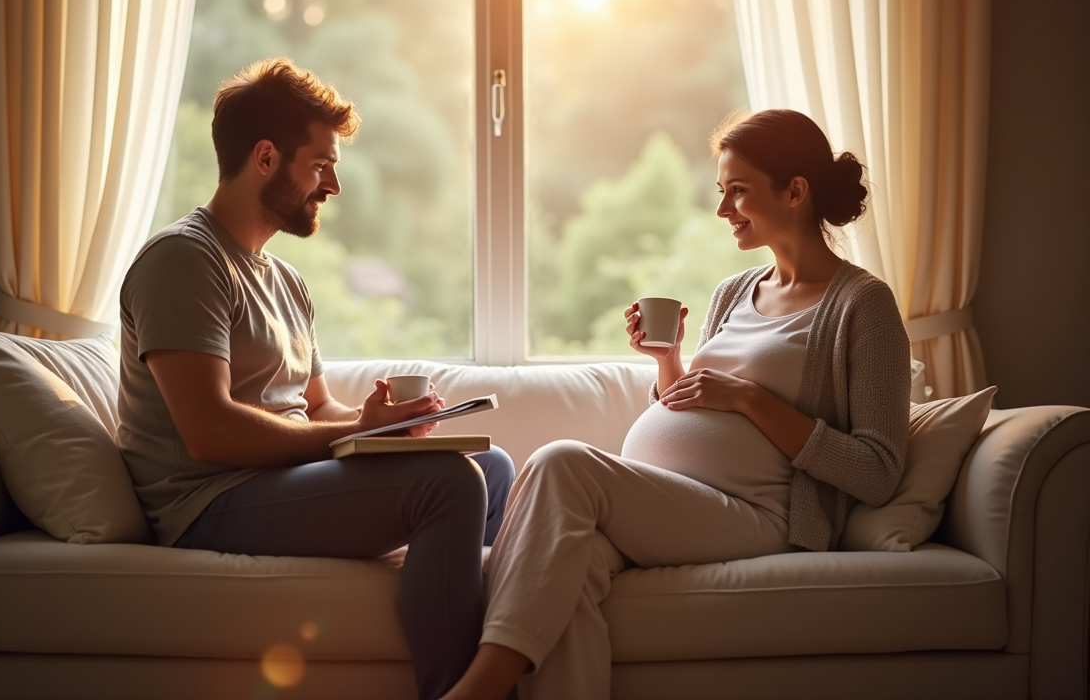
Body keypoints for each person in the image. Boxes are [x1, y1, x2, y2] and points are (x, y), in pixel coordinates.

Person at [438, 109, 912, 700]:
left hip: (760, 516)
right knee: (572, 564)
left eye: (737, 192)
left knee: (561, 462)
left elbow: (878, 470)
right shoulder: (735, 292)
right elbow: (695, 402)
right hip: (678, 503)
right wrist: (669, 363)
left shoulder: (863, 305)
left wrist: (748, 398)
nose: (722, 211)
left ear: (795, 191)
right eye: (721, 192)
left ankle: (474, 691)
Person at [116, 57, 516, 700]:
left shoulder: (285, 281)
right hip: (207, 502)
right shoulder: (183, 261)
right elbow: (207, 431)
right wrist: (356, 431)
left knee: (492, 468)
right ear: (267, 158)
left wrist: (384, 424)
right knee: (447, 483)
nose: (333, 185)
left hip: (276, 482)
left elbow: (319, 407)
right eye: (321, 164)